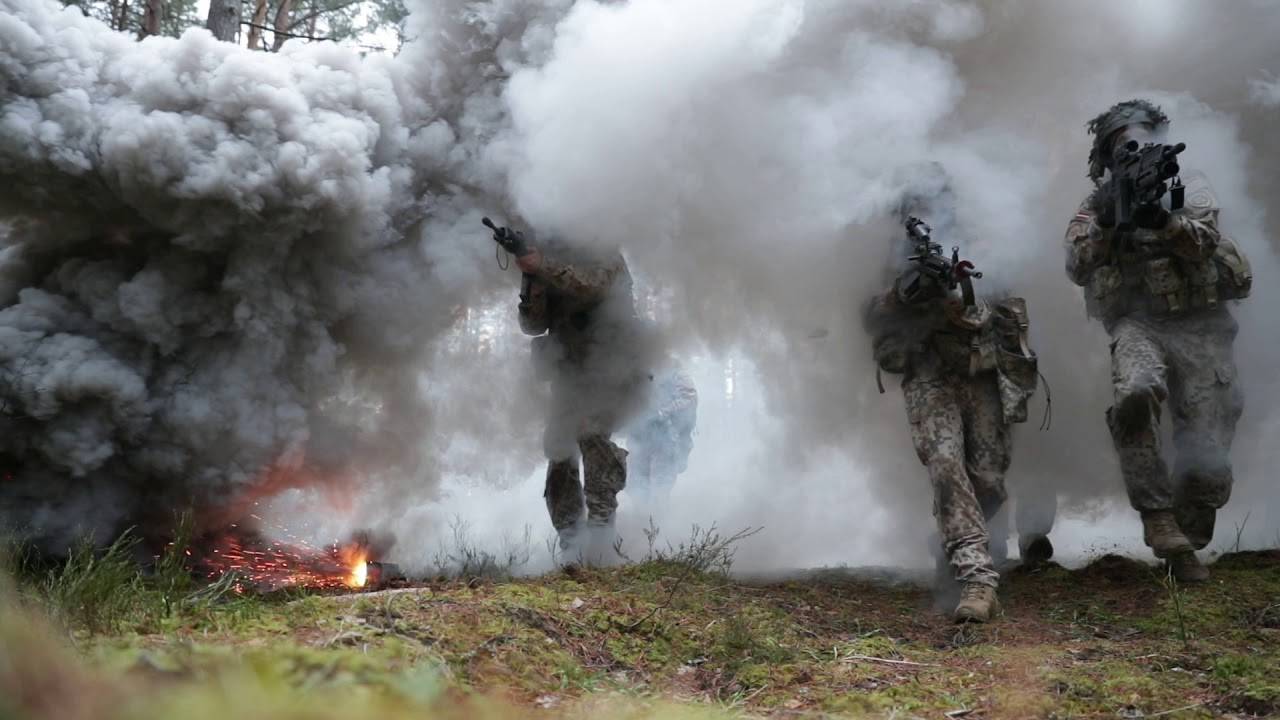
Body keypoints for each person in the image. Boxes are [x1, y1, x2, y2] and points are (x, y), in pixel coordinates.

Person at [1064, 99, 1252, 581]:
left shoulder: (1192, 185)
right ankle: (1157, 516)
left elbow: (1205, 243)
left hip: (1202, 325)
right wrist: (1109, 218)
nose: (1132, 144)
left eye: (1141, 134)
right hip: (1139, 323)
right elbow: (1077, 267)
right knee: (1135, 391)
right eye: (1119, 141)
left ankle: (1186, 547)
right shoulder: (1096, 205)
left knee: (1208, 457)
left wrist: (1161, 219)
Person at [868, 211, 1040, 624]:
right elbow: (872, 316)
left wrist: (948, 292)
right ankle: (977, 579)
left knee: (989, 481)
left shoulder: (986, 246)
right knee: (946, 467)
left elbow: (987, 314)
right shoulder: (899, 258)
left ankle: (955, 543)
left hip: (980, 374)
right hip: (929, 376)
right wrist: (904, 293)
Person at [488, 218, 645, 560]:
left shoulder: (606, 256)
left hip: (612, 371)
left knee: (591, 433)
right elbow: (532, 325)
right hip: (570, 375)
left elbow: (590, 287)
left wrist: (541, 265)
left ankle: (602, 534)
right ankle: (571, 543)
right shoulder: (548, 268)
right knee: (559, 448)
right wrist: (531, 275)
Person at [625, 362, 698, 509]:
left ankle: (659, 525)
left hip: (666, 439)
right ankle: (640, 522)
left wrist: (661, 413)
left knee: (661, 487)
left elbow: (688, 398)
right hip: (642, 440)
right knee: (637, 485)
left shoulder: (676, 373)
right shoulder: (640, 372)